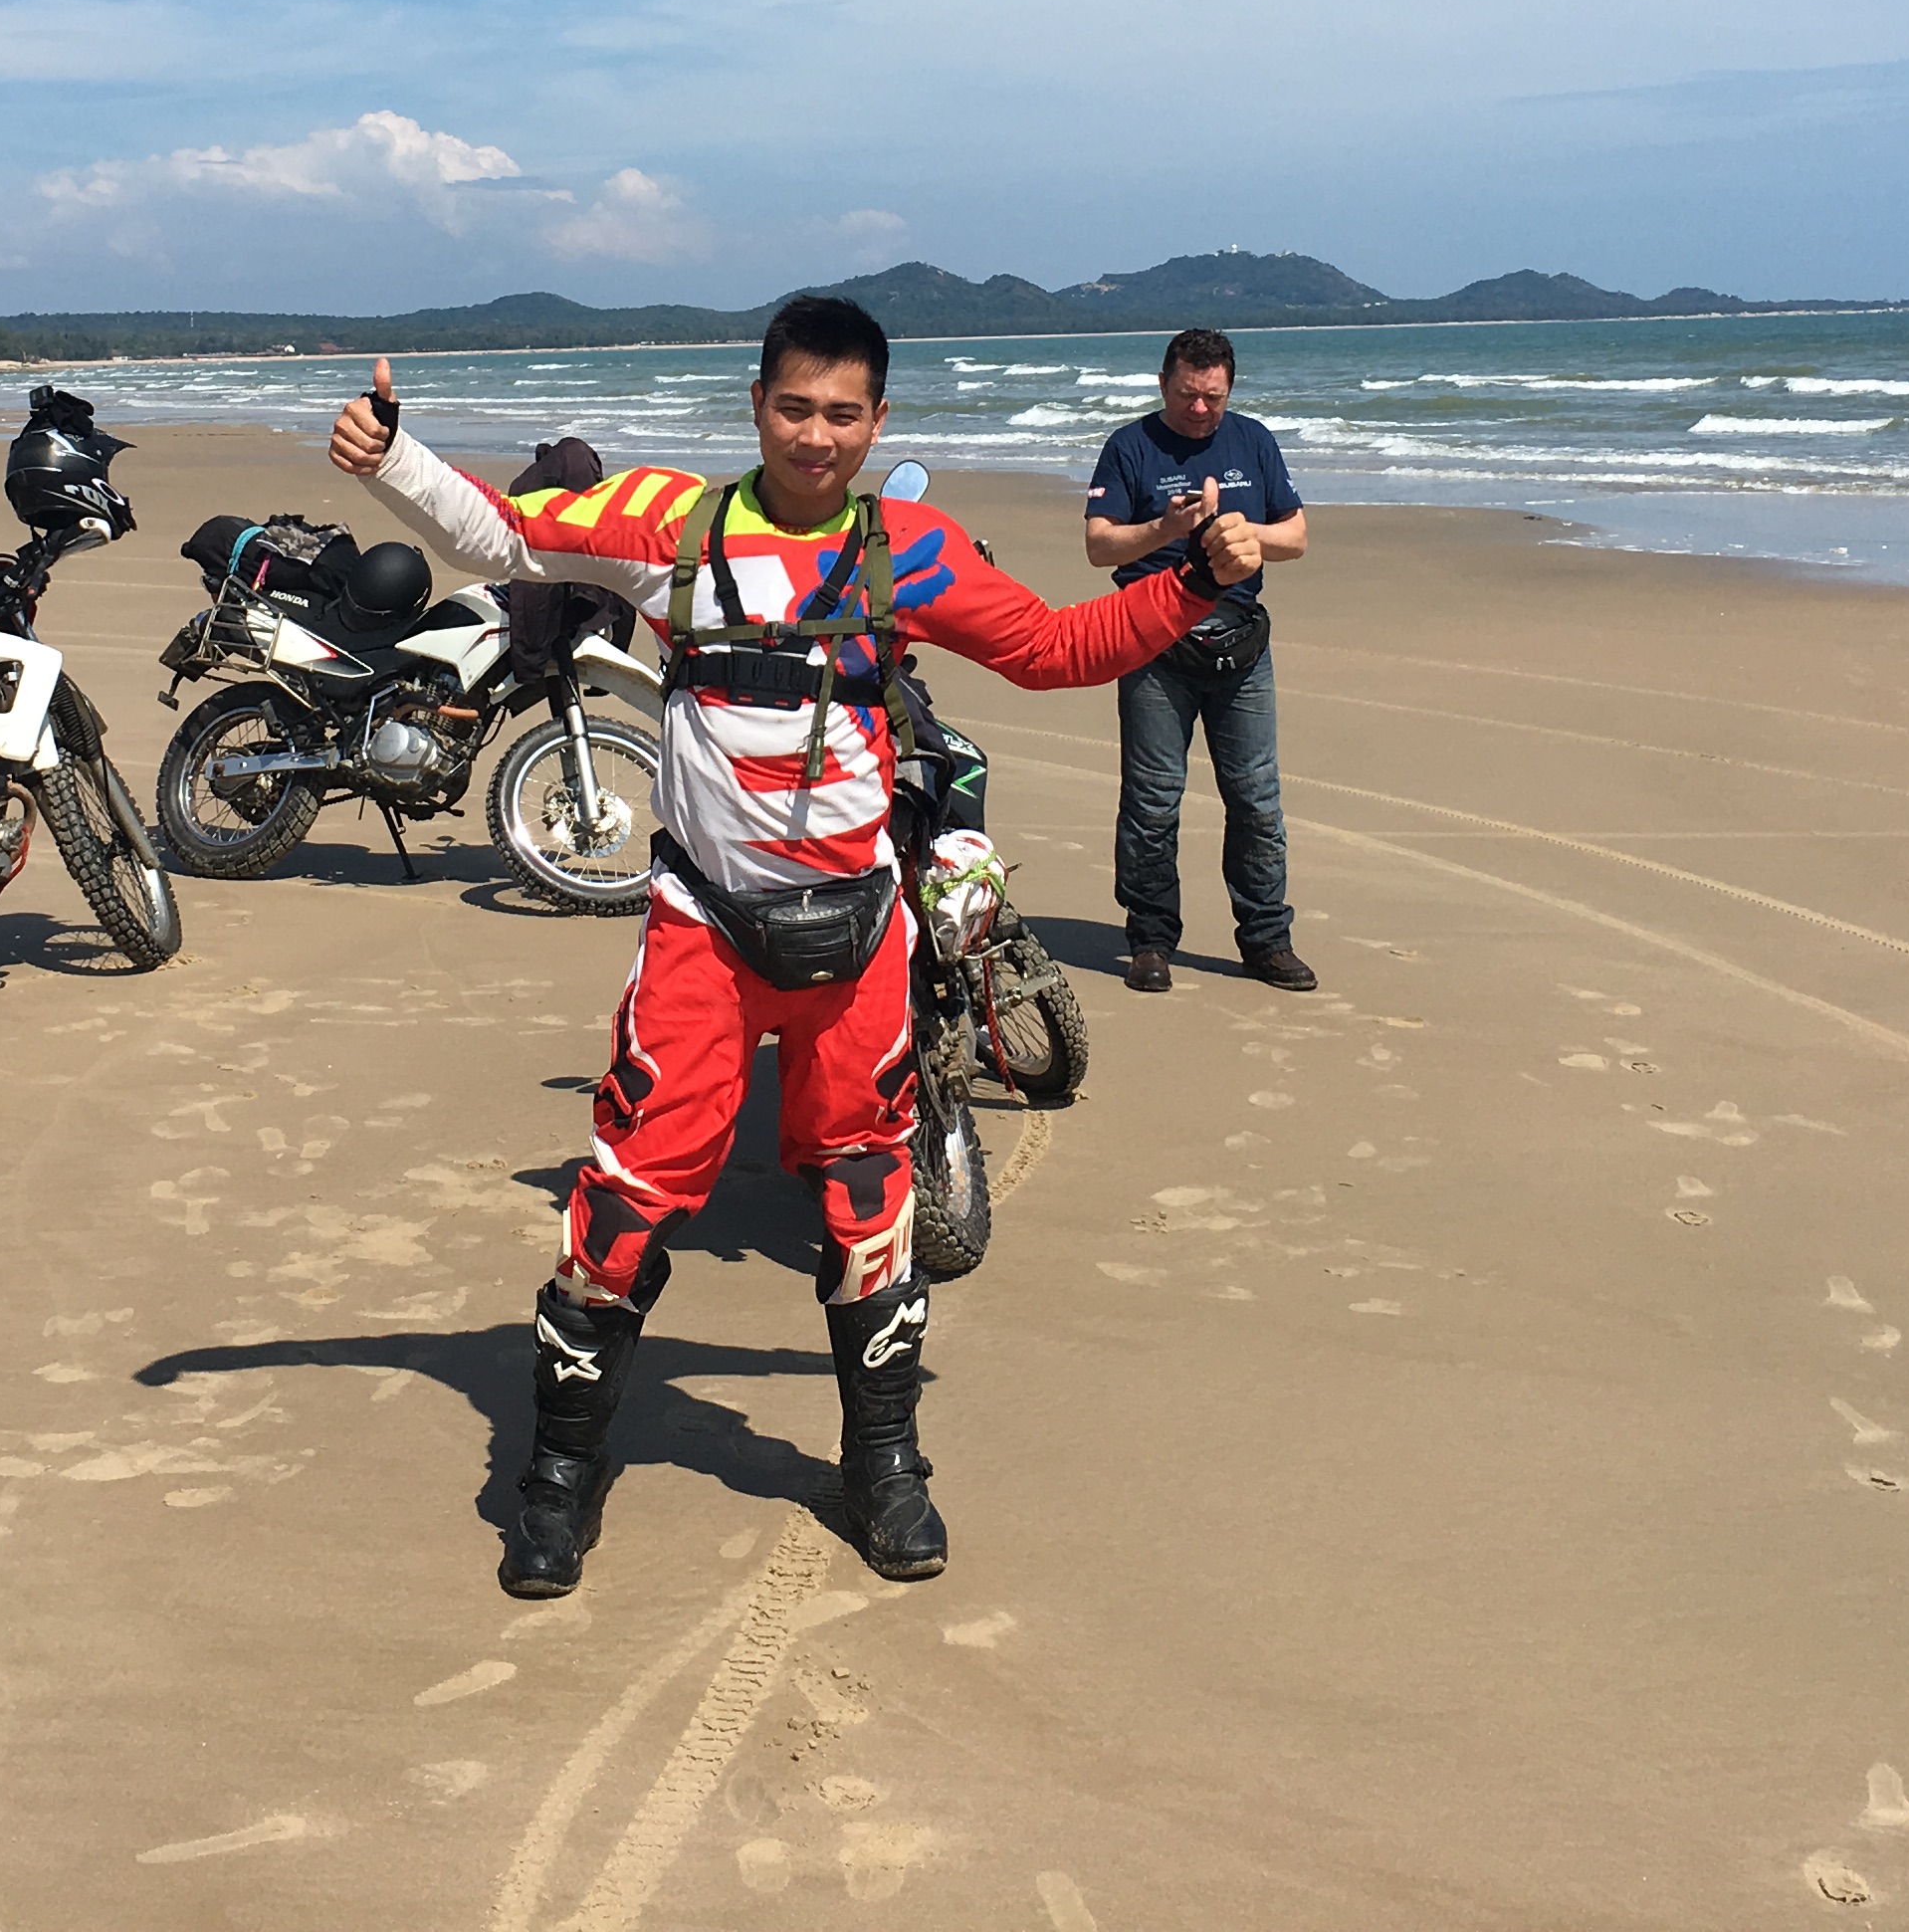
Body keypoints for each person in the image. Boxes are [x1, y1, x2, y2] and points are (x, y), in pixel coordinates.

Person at [330, 298, 1256, 1596]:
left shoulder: (910, 553)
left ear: (879, 423)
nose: (816, 437)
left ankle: (885, 1468)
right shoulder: (675, 527)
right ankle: (555, 1475)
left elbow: (1053, 650)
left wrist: (1200, 581)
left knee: (870, 1203)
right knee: (620, 1208)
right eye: (793, 408)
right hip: (704, 940)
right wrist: (395, 460)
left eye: (842, 415)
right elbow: (512, 537)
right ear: (755, 404)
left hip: (860, 943)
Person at [1085, 326, 1310, 995]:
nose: (1201, 409)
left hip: (1240, 644)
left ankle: (1266, 937)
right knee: (1154, 800)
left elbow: (1296, 536)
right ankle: (1151, 938)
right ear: (1163, 384)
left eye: (1213, 396)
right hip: (1152, 643)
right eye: (1188, 395)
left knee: (1257, 799)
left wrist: (1244, 533)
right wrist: (1166, 529)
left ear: (1229, 389)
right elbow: (1100, 547)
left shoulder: (1254, 441)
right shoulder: (1130, 448)